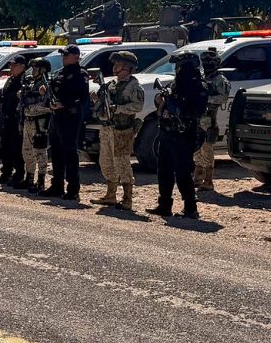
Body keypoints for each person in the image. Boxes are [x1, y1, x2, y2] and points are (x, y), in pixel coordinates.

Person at [152, 53, 208, 219]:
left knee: (183, 172)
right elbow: (161, 103)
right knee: (164, 171)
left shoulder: (198, 87)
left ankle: (190, 207)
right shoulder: (174, 85)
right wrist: (162, 103)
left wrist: (181, 111)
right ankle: (164, 205)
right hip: (167, 132)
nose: (177, 70)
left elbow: (198, 110)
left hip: (184, 134)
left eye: (180, 67)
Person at [93, 51, 144, 210]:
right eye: (115, 64)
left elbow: (138, 106)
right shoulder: (111, 84)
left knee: (122, 163)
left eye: (119, 64)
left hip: (122, 130)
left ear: (128, 67)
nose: (115, 67)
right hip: (108, 128)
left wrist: (118, 108)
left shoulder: (133, 86)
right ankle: (111, 195)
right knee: (106, 161)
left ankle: (127, 199)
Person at [45, 45, 90, 199]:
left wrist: (64, 103)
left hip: (70, 117)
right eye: (63, 55)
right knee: (56, 152)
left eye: (66, 55)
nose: (63, 57)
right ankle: (57, 185)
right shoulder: (60, 73)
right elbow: (53, 91)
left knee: (70, 153)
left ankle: (73, 188)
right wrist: (49, 100)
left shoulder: (80, 74)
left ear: (75, 57)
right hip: (57, 116)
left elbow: (81, 97)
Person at [194, 48, 231, 191]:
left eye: (210, 61)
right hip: (197, 117)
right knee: (196, 149)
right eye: (205, 61)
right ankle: (198, 178)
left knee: (207, 149)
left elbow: (222, 97)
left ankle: (208, 180)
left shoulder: (219, 79)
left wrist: (205, 99)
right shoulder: (202, 76)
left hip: (209, 119)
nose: (207, 64)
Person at [19, 58, 53, 192]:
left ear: (43, 70)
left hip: (39, 123)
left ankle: (41, 181)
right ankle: (29, 177)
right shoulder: (31, 84)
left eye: (35, 68)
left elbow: (48, 105)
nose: (32, 71)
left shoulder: (46, 86)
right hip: (28, 121)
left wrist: (31, 108)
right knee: (27, 151)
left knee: (39, 152)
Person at [0, 56, 27, 186]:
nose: (11, 67)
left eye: (14, 65)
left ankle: (19, 174)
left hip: (16, 119)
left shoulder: (25, 81)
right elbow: (3, 96)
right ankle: (6, 173)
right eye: (11, 65)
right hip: (6, 117)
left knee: (16, 148)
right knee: (5, 147)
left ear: (22, 66)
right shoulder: (10, 79)